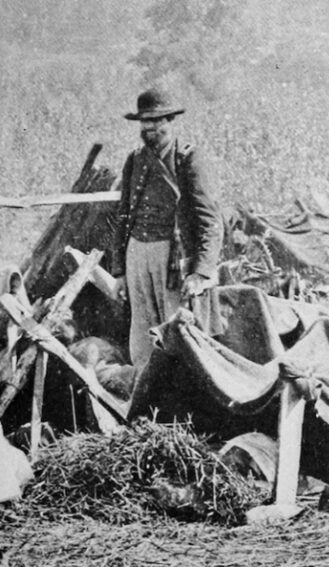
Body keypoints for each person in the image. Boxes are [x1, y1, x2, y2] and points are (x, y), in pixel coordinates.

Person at [110, 89, 224, 371]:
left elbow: (210, 220)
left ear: (171, 120)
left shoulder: (190, 159)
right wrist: (119, 271)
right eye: (145, 122)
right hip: (137, 254)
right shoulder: (135, 160)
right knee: (142, 332)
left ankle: (184, 403)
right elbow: (124, 215)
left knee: (179, 331)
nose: (151, 128)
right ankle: (146, 397)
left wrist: (200, 272)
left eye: (158, 120)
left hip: (173, 258)